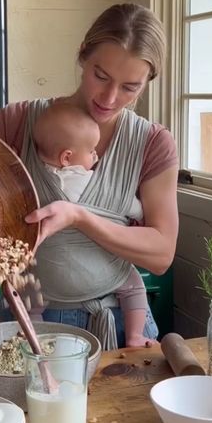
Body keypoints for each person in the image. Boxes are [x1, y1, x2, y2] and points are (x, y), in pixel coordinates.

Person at [0, 3, 179, 349]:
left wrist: (80, 218)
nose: (110, 98)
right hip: (26, 320)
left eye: (130, 87)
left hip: (118, 322)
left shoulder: (152, 143)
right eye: (101, 75)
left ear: (147, 83)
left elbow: (161, 254)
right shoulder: (18, 122)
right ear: (83, 55)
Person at [32, 101, 154, 346]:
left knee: (26, 294)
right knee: (133, 283)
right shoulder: (88, 181)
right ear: (67, 157)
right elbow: (132, 206)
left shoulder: (32, 183)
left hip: (49, 281)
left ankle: (33, 336)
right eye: (91, 151)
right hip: (104, 276)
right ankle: (135, 335)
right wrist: (141, 212)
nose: (96, 156)